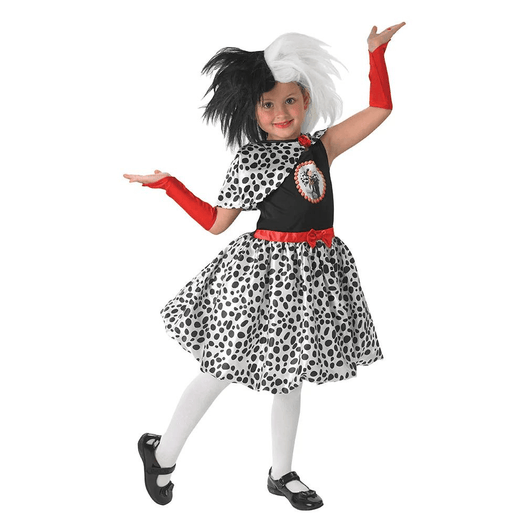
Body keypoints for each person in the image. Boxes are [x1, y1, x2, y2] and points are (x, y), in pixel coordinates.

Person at [125, 23, 405, 511]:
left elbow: (380, 108)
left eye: (290, 100)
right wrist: (170, 185)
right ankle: (162, 454)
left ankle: (281, 473)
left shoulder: (321, 146)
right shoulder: (251, 160)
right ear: (252, 111)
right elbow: (216, 222)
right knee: (221, 367)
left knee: (291, 374)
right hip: (260, 277)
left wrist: (375, 56)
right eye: (268, 104)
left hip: (312, 277)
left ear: (306, 99)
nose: (281, 113)